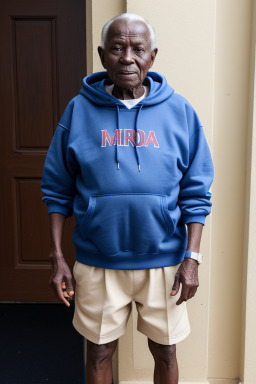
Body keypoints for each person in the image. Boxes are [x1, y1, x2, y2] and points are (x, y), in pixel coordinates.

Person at [41, 13, 214, 384]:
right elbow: (57, 189)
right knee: (99, 351)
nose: (128, 58)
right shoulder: (78, 110)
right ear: (103, 55)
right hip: (98, 260)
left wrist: (192, 259)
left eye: (138, 48)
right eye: (118, 48)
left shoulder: (180, 112)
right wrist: (57, 257)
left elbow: (197, 194)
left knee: (166, 351)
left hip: (165, 262)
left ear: (153, 56)